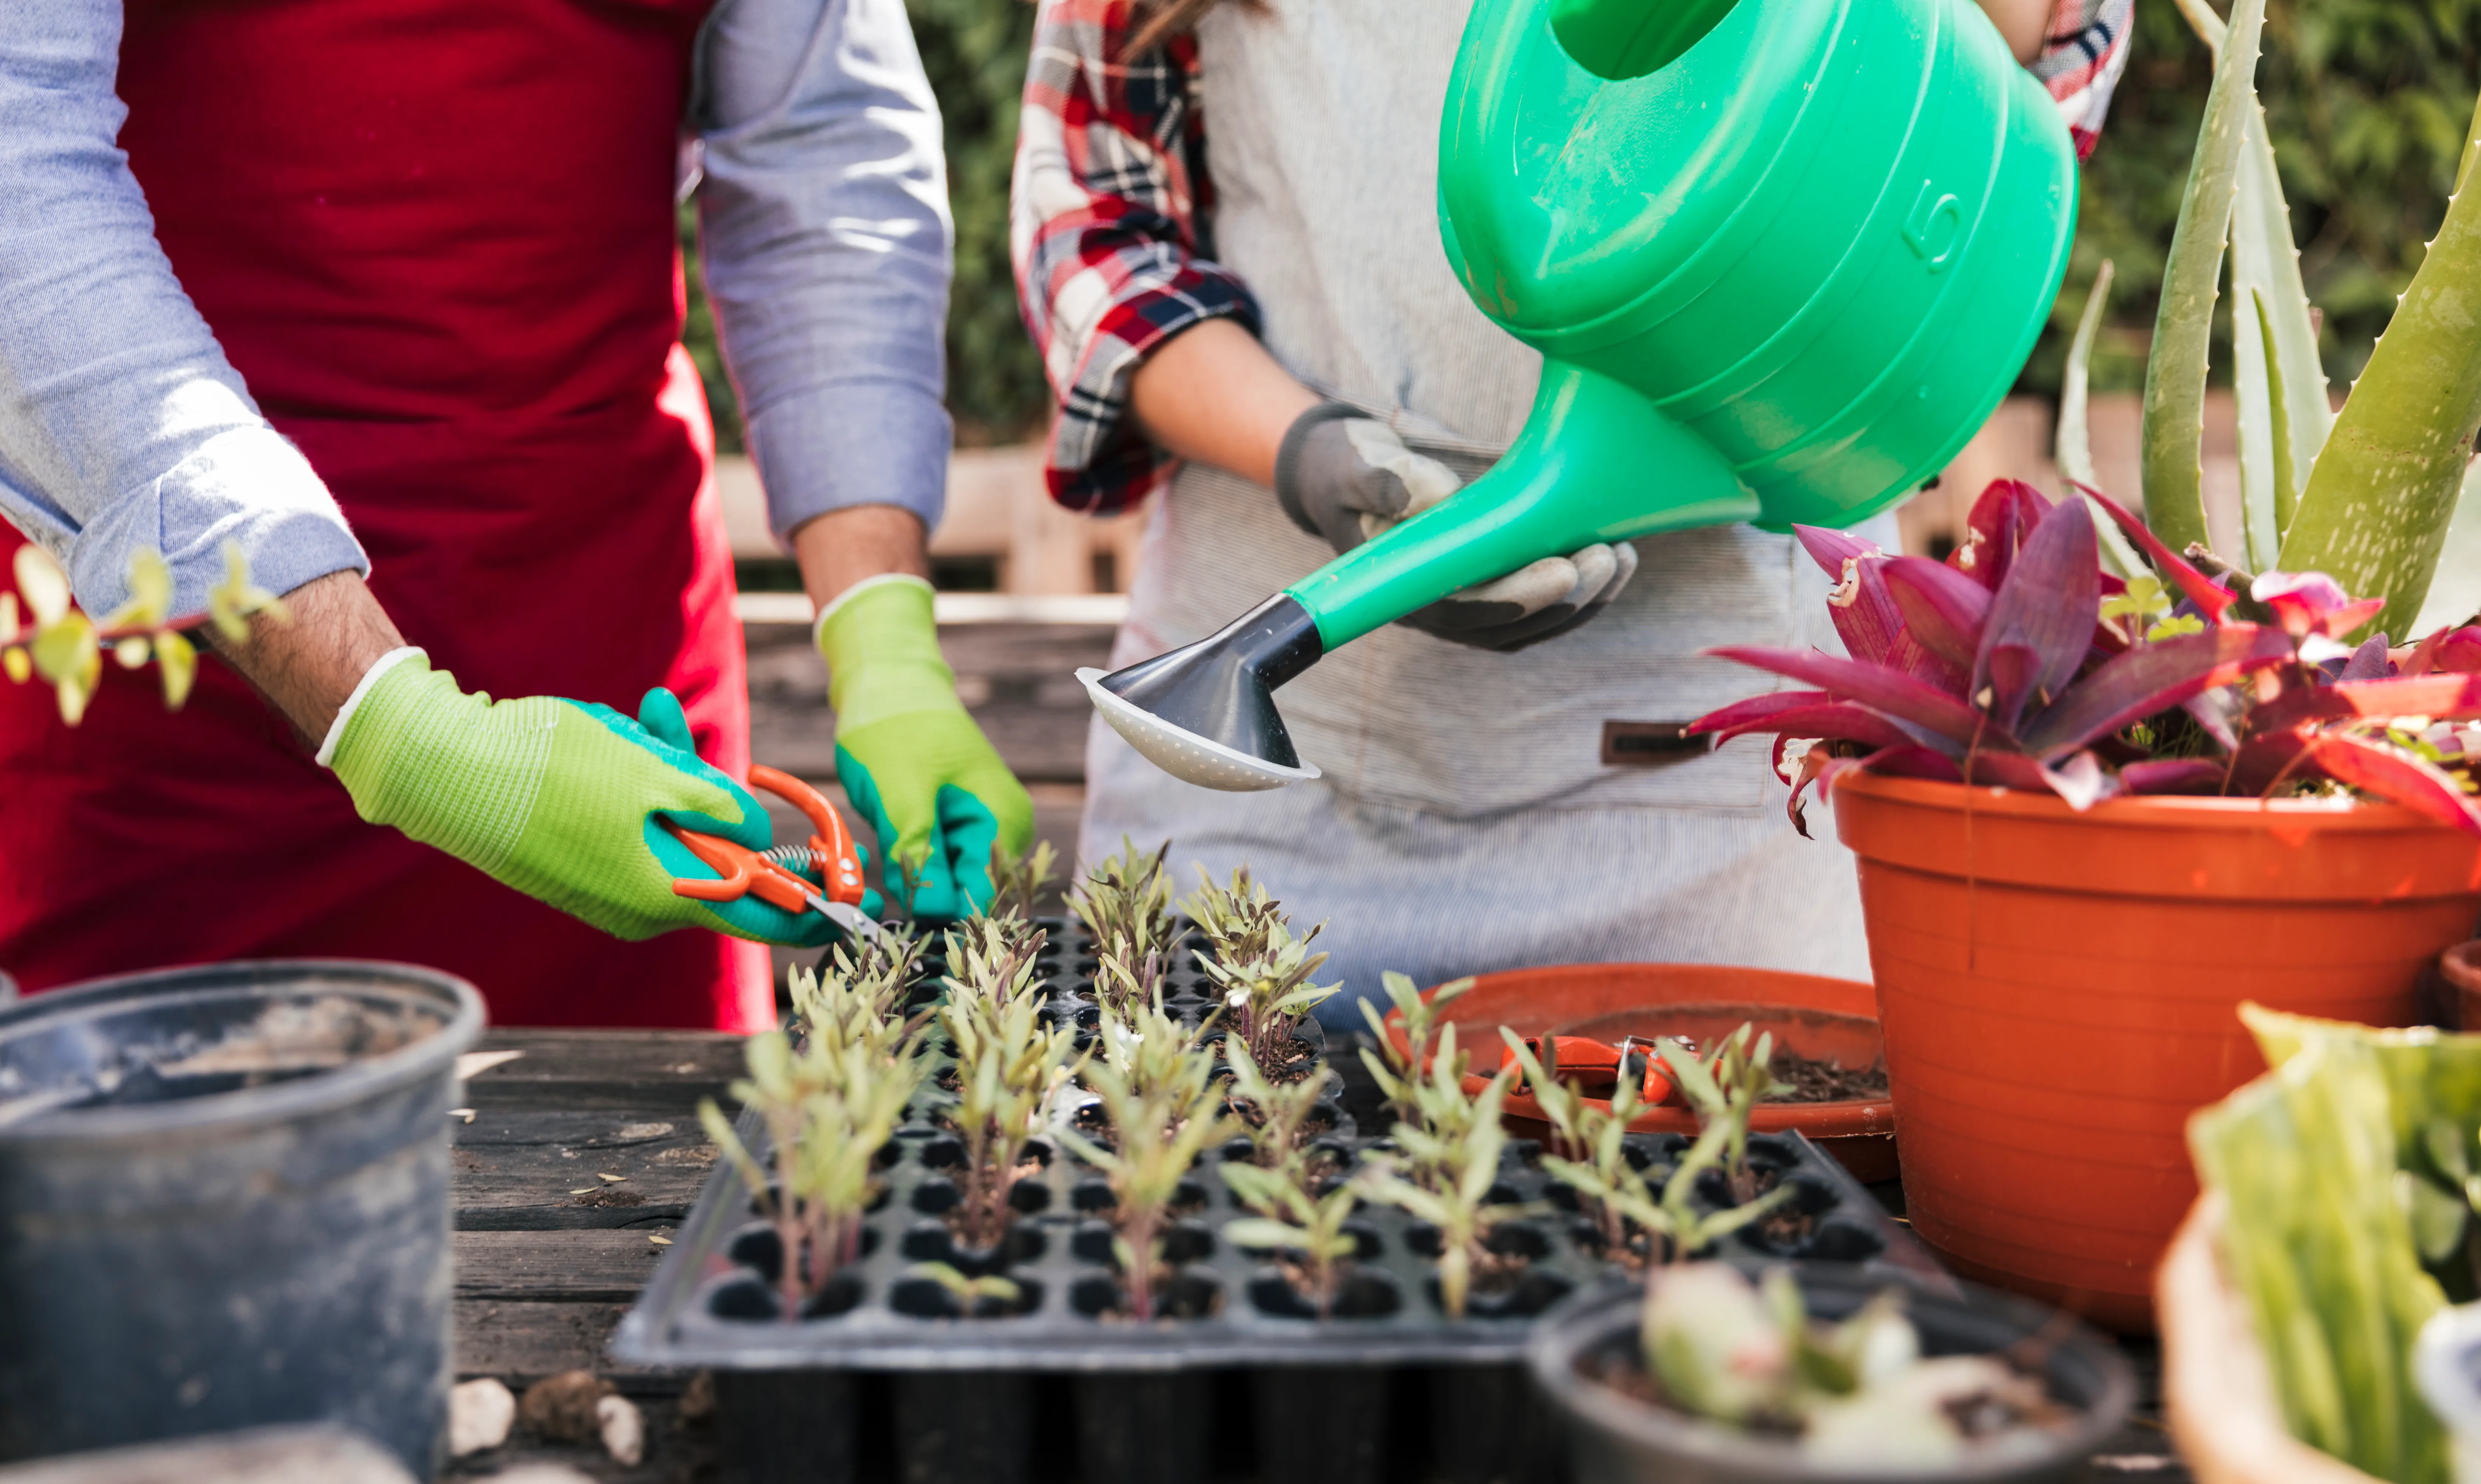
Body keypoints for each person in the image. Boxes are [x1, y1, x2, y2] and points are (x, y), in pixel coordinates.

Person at [1014, 0, 2131, 1010]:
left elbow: (1982, 129)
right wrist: (1306, 452)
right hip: (1265, 821)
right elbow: (1099, 241)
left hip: (1700, 833)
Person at [0, 0, 1033, 1031]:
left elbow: (823, 153)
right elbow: (20, 169)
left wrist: (886, 645)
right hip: (183, 718)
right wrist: (402, 735)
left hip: (616, 655)